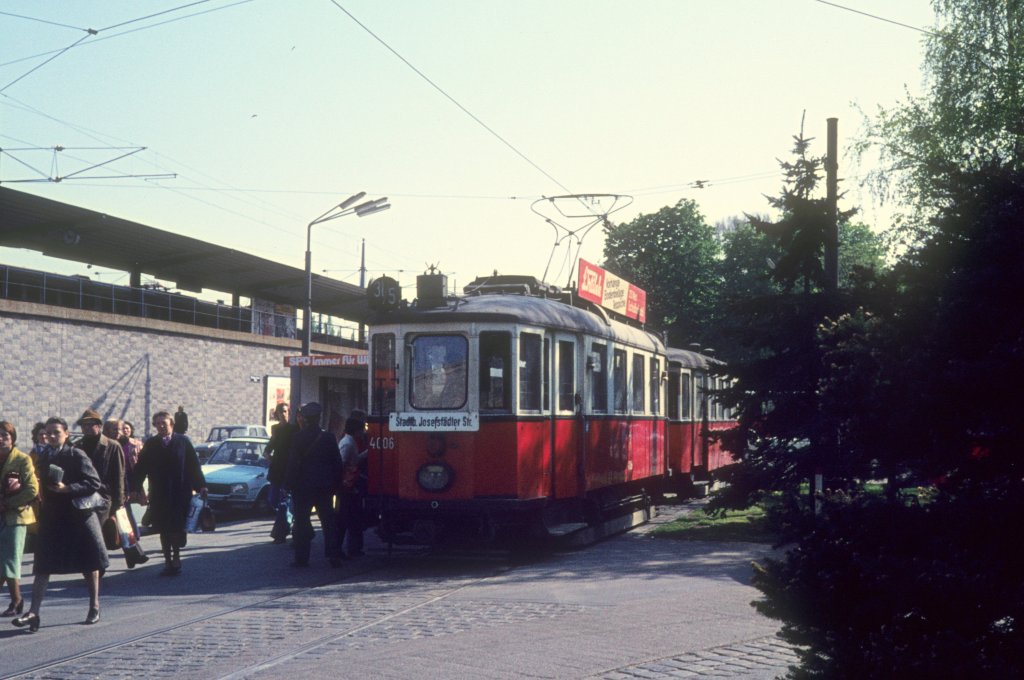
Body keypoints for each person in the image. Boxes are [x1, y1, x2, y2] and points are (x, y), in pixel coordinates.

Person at [13, 417, 108, 632]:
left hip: (78, 517)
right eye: (48, 433)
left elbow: (94, 482)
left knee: (89, 562)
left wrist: (68, 488)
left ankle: (94, 606)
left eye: (56, 432)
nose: (51, 436)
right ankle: (34, 612)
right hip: (53, 518)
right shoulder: (43, 456)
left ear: (66, 434)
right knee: (42, 565)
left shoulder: (76, 454)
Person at [132, 411, 206, 576]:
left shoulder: (183, 442)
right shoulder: (151, 444)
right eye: (157, 423)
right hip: (159, 494)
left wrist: (201, 485)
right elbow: (141, 467)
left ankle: (177, 555)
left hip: (180, 493)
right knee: (164, 528)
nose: (161, 426)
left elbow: (194, 466)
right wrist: (135, 487)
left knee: (177, 528)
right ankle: (168, 561)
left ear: (171, 424)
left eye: (163, 423)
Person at [284, 402, 343, 568]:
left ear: (306, 419)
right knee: (328, 522)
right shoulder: (328, 438)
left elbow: (293, 464)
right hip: (324, 487)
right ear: (319, 418)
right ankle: (333, 555)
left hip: (302, 487)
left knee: (301, 522)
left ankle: (301, 558)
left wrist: (287, 484)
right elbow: (337, 463)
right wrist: (337, 485)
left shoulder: (298, 438)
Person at [0, 421, 38, 618]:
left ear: (12, 439)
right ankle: (16, 599)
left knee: (10, 559)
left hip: (16, 516)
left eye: (5, 436)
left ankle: (16, 600)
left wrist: (8, 503)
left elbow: (32, 489)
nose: (0, 440)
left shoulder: (22, 459)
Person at [103, 419, 149, 567]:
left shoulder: (126, 444)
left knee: (125, 522)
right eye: (113, 429)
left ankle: (133, 554)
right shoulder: (105, 445)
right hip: (109, 489)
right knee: (117, 524)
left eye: (119, 429)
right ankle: (134, 555)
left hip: (123, 487)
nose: (117, 432)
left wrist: (130, 489)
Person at [76, 410, 125, 530]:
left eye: (90, 424)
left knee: (100, 536)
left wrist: (118, 503)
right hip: (82, 499)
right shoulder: (77, 446)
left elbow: (118, 476)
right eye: (83, 425)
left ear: (99, 425)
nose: (86, 428)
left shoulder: (112, 446)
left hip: (103, 498)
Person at [263, 402, 298, 544]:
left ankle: (281, 532)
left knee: (283, 502)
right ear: (276, 414)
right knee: (273, 499)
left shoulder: (293, 429)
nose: (283, 414)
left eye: (285, 411)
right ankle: (287, 520)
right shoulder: (275, 429)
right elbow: (269, 448)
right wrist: (269, 457)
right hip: (276, 469)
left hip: (287, 469)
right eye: (281, 411)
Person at [337, 412, 368, 558]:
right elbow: (342, 463)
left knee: (351, 518)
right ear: (356, 430)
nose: (363, 433)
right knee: (348, 518)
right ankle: (346, 549)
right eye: (361, 430)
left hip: (349, 485)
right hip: (348, 487)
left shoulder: (349, 441)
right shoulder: (348, 443)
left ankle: (352, 548)